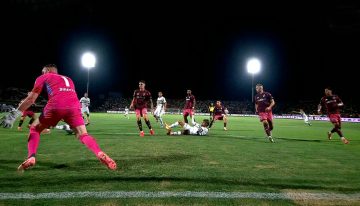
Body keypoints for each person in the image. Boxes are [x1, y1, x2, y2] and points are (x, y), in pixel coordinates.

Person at [0, 64, 116, 171]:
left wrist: (14, 115)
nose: (42, 73)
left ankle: (31, 157)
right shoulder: (69, 79)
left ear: (48, 71)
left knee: (35, 129)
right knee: (83, 135)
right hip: (74, 107)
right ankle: (99, 152)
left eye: (43, 71)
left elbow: (31, 99)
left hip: (56, 105)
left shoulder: (43, 77)